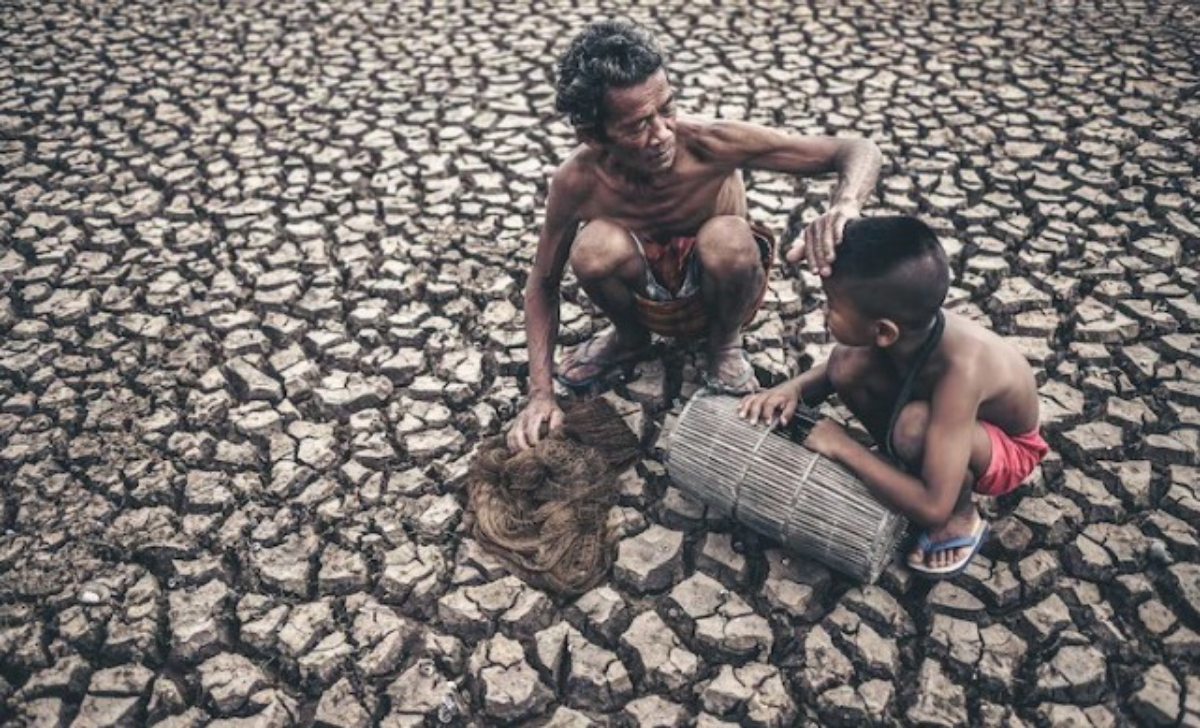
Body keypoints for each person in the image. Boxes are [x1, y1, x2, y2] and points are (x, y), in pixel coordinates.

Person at [507, 19, 882, 451]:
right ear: (593, 135)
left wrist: (846, 204)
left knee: (728, 236)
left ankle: (724, 344)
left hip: (721, 288)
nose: (663, 133)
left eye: (667, 108)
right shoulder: (577, 182)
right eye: (637, 126)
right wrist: (540, 395)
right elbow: (542, 282)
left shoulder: (712, 143)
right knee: (592, 248)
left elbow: (856, 149)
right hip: (645, 293)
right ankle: (630, 337)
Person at [738, 216, 1048, 577]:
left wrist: (841, 445)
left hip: (1006, 447)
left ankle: (962, 517)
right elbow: (832, 372)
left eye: (832, 305)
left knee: (913, 428)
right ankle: (900, 469)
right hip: (942, 417)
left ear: (884, 331)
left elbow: (932, 505)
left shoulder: (961, 371)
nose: (824, 313)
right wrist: (792, 389)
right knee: (845, 363)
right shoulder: (911, 325)